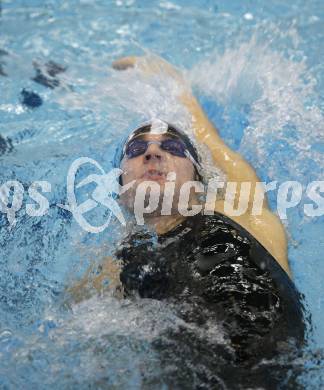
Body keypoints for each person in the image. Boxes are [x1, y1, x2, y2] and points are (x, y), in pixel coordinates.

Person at [69, 55, 305, 388]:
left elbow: (211, 141)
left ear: (198, 179)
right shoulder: (107, 271)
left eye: (172, 147)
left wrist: (176, 86)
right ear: (120, 190)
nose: (152, 154)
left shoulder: (241, 212)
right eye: (137, 148)